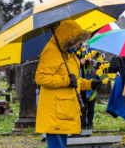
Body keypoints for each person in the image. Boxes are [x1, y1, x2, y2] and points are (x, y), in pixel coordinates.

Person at [35, 20, 102, 148]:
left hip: (64, 109)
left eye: (79, 42)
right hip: (54, 110)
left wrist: (90, 84)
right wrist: (66, 80)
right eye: (76, 42)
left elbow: (75, 80)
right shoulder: (51, 52)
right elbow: (40, 78)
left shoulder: (70, 55)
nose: (78, 46)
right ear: (68, 40)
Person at [78, 48, 100, 130]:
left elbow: (98, 75)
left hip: (92, 91)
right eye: (92, 54)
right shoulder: (83, 64)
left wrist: (99, 82)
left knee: (91, 109)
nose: (92, 57)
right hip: (83, 89)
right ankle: (83, 125)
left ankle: (90, 124)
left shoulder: (95, 65)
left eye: (94, 55)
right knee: (83, 109)